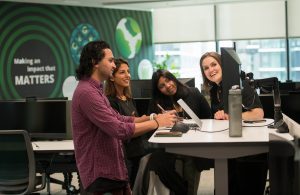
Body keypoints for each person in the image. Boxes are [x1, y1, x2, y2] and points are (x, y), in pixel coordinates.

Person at [71, 40, 177, 195]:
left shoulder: (96, 90)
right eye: (110, 60)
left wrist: (154, 118)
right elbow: (118, 129)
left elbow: (120, 118)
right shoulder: (87, 93)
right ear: (95, 62)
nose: (114, 65)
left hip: (112, 172)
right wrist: (156, 123)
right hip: (101, 176)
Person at [199, 51, 268, 195]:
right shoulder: (214, 90)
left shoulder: (240, 84)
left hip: (247, 151)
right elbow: (223, 117)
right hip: (226, 144)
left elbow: (258, 113)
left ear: (223, 65)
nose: (211, 70)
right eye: (206, 68)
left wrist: (232, 117)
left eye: (214, 64)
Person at [145, 69, 213, 195]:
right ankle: (183, 191)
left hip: (193, 144)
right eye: (162, 86)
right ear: (158, 90)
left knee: (191, 158)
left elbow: (208, 117)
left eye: (168, 80)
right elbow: (150, 129)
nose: (168, 86)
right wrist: (159, 118)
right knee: (159, 162)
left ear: (173, 78)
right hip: (169, 146)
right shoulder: (157, 102)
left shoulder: (193, 93)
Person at [104, 58, 148, 188]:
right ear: (112, 77)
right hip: (126, 155)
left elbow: (136, 122)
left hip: (139, 150)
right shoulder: (110, 102)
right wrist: (151, 123)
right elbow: (122, 130)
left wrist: (151, 118)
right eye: (122, 72)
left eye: (128, 71)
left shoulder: (129, 98)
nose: (128, 75)